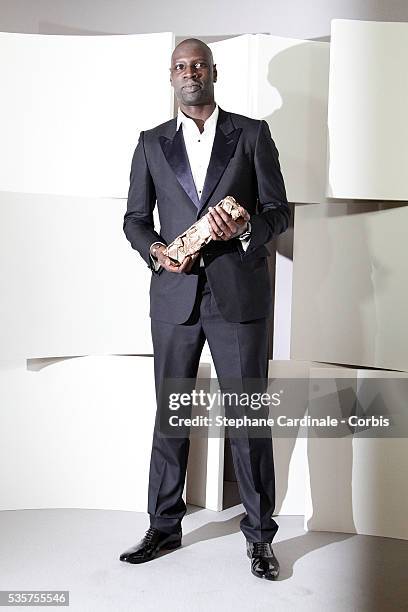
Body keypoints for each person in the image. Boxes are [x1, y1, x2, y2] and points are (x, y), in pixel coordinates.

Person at [120, 38, 290, 581]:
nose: (189, 72)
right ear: (170, 77)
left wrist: (245, 231)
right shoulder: (150, 143)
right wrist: (155, 250)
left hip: (238, 296)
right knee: (172, 417)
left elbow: (277, 212)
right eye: (180, 66)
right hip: (174, 297)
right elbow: (134, 218)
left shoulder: (253, 134)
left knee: (246, 418)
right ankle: (164, 526)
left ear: (213, 72)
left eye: (197, 64)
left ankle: (261, 537)